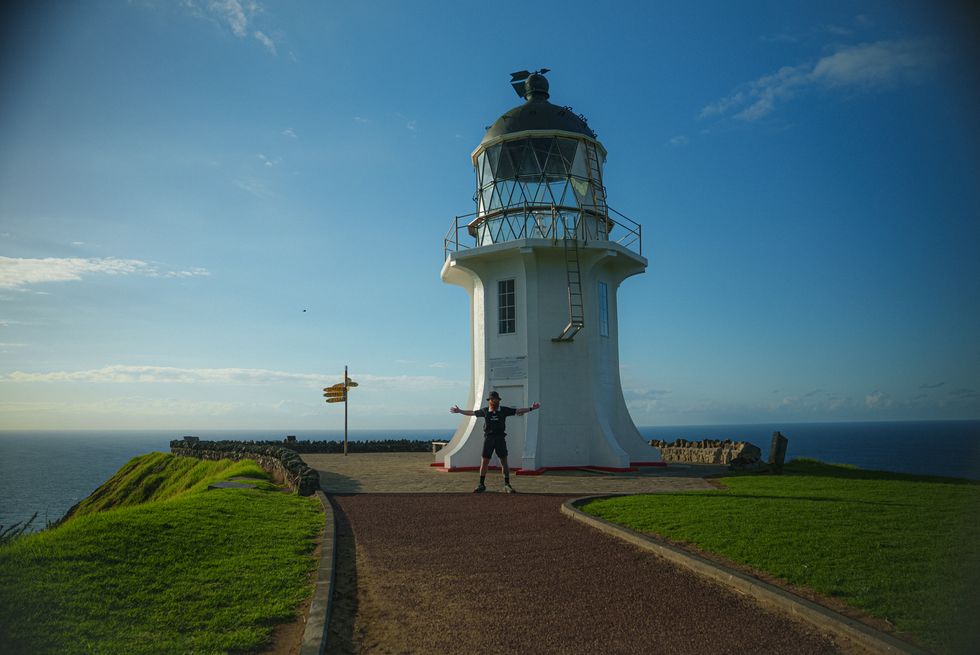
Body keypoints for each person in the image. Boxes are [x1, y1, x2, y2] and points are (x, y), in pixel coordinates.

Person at [450, 391, 540, 493]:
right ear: (489, 401)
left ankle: (507, 485)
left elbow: (518, 411)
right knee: (484, 462)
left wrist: (531, 408)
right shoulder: (485, 411)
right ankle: (481, 484)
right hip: (488, 439)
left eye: (496, 399)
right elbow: (472, 412)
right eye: (492, 400)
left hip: (500, 439)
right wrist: (460, 411)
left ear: (498, 400)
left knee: (504, 462)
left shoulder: (504, 410)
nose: (494, 401)